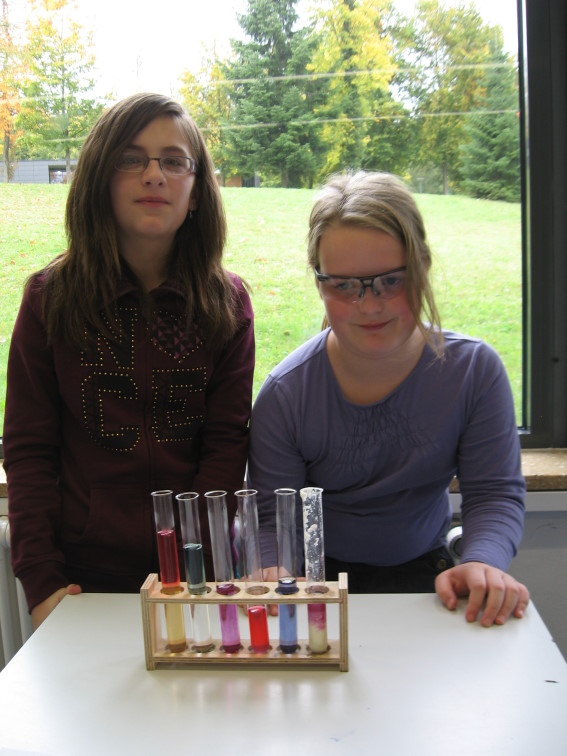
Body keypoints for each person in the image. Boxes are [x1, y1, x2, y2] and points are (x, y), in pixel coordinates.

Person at [3, 93, 255, 628]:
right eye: (131, 159)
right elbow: (28, 449)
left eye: (174, 161)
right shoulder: (50, 299)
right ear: (100, 179)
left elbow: (226, 445)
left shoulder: (227, 305)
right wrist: (42, 582)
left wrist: (196, 563)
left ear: (196, 191)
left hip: (194, 580)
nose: (154, 175)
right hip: (79, 581)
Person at [248, 171, 529, 627]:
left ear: (422, 267)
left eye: (391, 281)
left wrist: (482, 562)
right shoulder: (286, 394)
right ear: (319, 283)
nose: (370, 305)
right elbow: (270, 519)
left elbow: (494, 493)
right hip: (314, 583)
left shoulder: (474, 372)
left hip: (429, 575)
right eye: (343, 285)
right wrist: (273, 570)